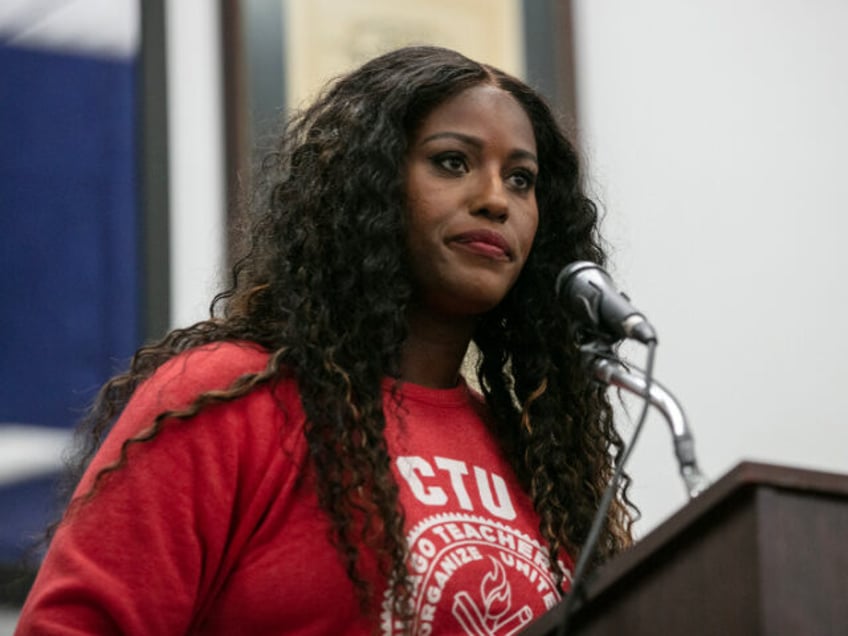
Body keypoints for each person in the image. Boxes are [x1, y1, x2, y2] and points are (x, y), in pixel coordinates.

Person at [15, 45, 634, 635]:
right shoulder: (229, 397)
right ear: (368, 186)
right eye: (453, 162)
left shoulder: (540, 459)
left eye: (521, 180)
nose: (496, 199)